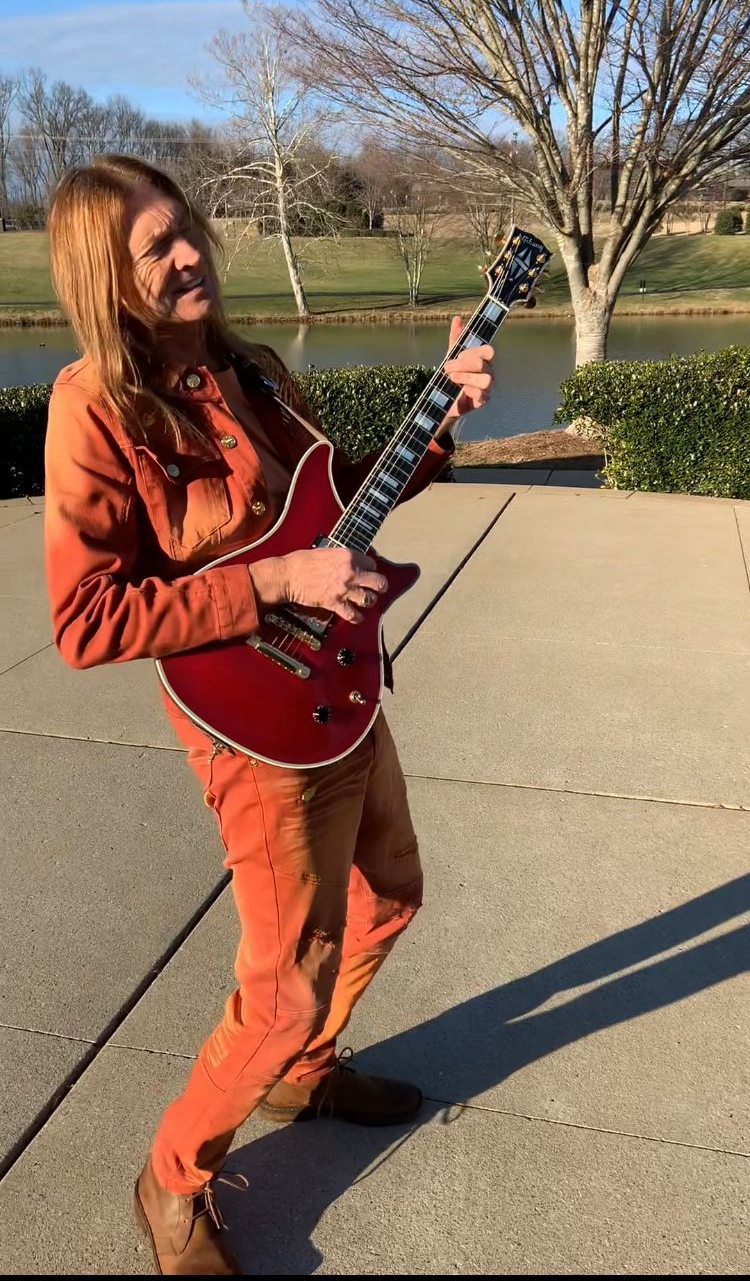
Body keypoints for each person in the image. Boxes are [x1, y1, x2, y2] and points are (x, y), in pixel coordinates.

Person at [44, 155, 494, 1276]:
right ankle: (173, 1173)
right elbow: (86, 617)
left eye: (184, 228)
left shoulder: (255, 368)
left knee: (389, 893)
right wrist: (278, 583)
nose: (188, 252)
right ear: (105, 276)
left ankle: (306, 1071)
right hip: (250, 727)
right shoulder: (92, 406)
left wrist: (434, 417)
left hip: (337, 688)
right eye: (154, 248)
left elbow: (335, 506)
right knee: (282, 982)